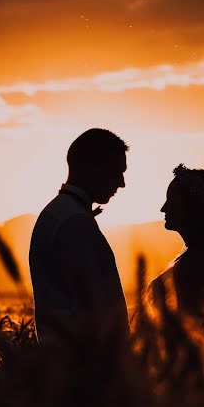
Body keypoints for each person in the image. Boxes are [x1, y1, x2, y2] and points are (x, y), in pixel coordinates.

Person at [29, 128, 129, 345]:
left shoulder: (58, 214)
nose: (121, 183)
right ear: (90, 168)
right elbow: (95, 307)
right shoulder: (74, 221)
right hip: (85, 365)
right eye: (115, 172)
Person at [146, 164, 204, 330]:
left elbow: (186, 325)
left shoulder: (198, 261)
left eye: (171, 200)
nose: (163, 208)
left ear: (192, 207)